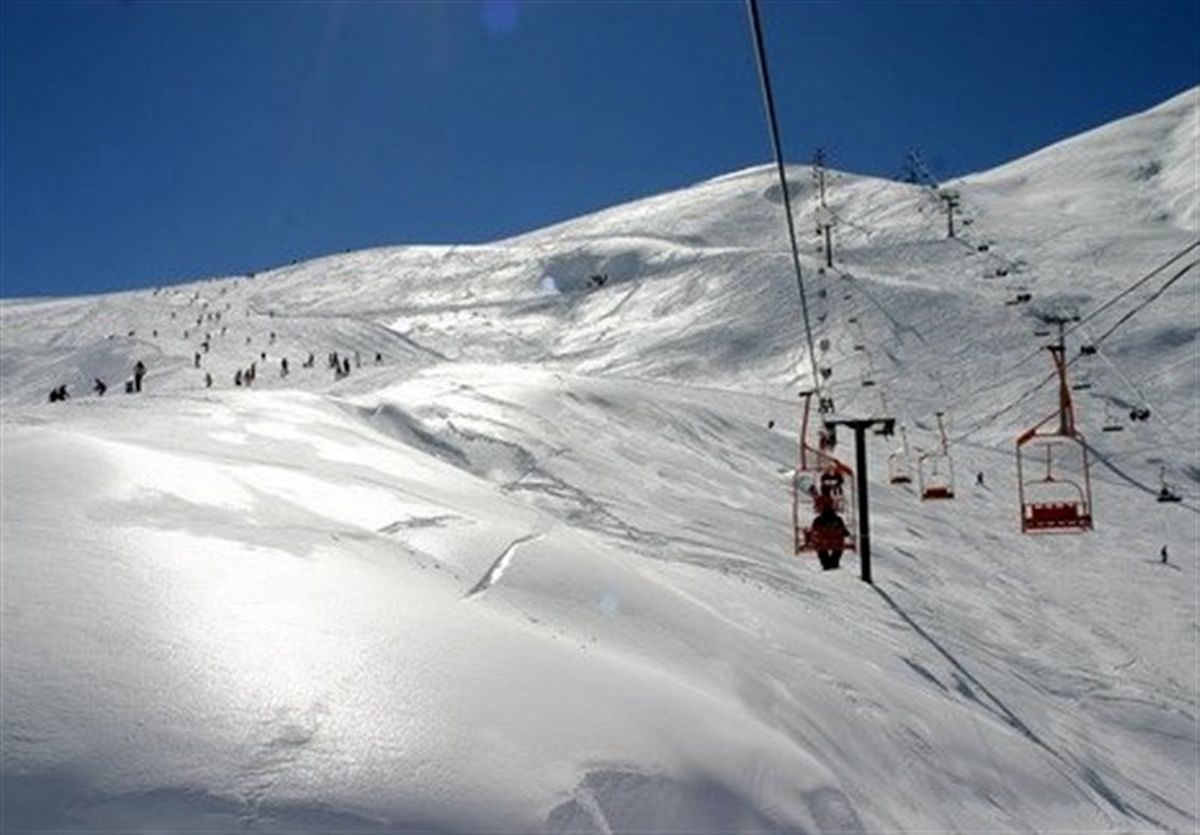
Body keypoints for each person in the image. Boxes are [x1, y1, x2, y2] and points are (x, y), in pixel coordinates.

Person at [811, 495, 850, 570]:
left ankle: (825, 562)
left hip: (822, 542)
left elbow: (814, 530)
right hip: (835, 542)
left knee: (820, 547)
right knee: (838, 547)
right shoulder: (838, 520)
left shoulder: (818, 520)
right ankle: (834, 561)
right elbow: (844, 531)